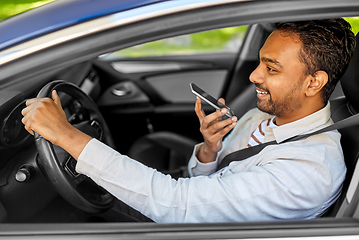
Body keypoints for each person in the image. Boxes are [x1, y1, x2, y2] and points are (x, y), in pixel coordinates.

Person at [21, 19, 356, 223]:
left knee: (73, 210)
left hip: (189, 220)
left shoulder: (306, 171)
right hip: (195, 206)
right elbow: (211, 181)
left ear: (314, 82)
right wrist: (210, 150)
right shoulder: (270, 115)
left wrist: (67, 136)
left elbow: (179, 207)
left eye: (271, 68)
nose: (254, 75)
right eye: (259, 63)